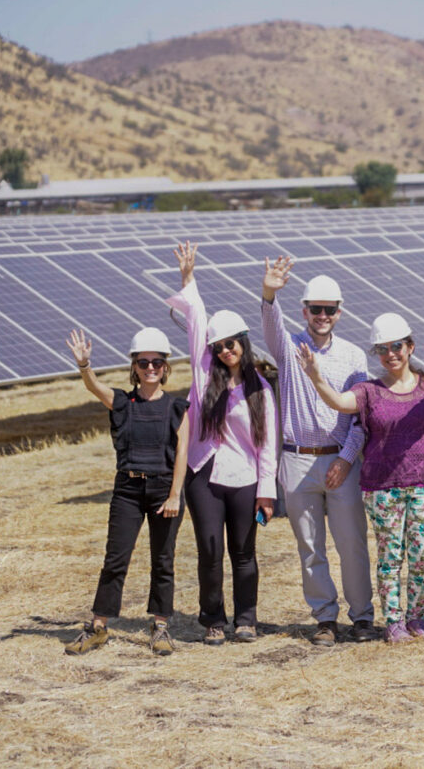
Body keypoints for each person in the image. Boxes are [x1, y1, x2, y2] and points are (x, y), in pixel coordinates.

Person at [298, 312, 424, 644]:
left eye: (397, 346)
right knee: (390, 556)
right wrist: (316, 377)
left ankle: (416, 618)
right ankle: (394, 622)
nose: (390, 354)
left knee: (423, 555)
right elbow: (340, 403)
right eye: (382, 349)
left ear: (410, 347)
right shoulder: (368, 391)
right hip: (382, 488)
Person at [261, 256, 375, 647]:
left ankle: (362, 617)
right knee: (310, 548)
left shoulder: (355, 356)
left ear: (339, 313)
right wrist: (270, 292)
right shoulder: (288, 347)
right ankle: (325, 617)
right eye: (316, 309)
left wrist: (346, 458)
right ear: (304, 311)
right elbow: (270, 324)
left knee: (351, 544)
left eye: (329, 309)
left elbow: (361, 415)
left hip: (341, 460)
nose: (322, 316)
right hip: (297, 460)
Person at [167, 241, 277, 646]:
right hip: (205, 474)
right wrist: (188, 278)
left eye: (233, 343)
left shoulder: (260, 389)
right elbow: (196, 320)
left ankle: (246, 619)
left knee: (243, 553)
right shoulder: (202, 376)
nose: (227, 351)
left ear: (244, 344)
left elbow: (268, 447)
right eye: (220, 346)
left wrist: (267, 493)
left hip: (246, 477)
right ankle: (213, 618)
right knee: (210, 551)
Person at [62, 327, 190, 656]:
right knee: (115, 559)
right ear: (133, 366)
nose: (150, 368)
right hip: (128, 490)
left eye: (157, 362)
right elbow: (93, 386)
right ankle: (98, 628)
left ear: (165, 367)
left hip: (164, 490)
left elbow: (182, 454)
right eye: (143, 362)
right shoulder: (121, 402)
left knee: (163, 560)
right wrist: (84, 366)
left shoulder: (178, 408)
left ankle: (160, 627)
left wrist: (175, 494)